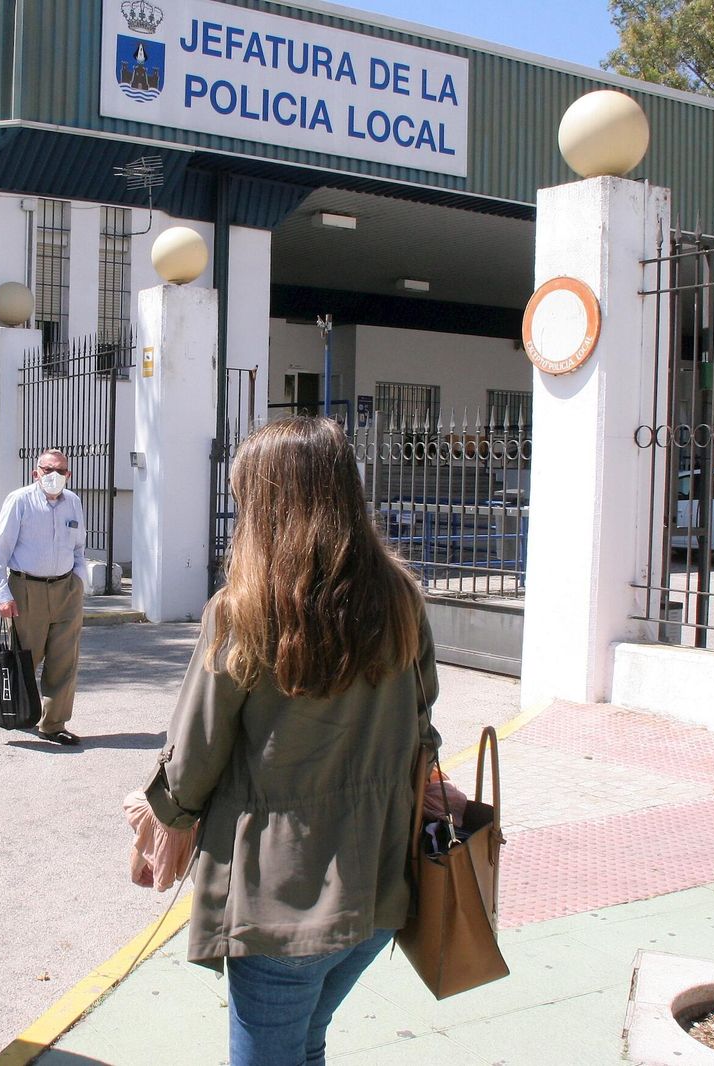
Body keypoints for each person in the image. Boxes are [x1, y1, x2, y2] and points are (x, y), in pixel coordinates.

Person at [142, 416, 441, 1066]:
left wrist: (162, 815)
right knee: (307, 1044)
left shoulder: (242, 610)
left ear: (267, 505)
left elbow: (193, 756)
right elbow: (423, 725)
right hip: (381, 883)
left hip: (280, 895)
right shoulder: (401, 598)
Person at [0, 449, 89, 745]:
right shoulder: (20, 501)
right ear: (36, 473)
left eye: (61, 471)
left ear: (69, 475)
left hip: (66, 590)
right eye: (48, 470)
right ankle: (20, 712)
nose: (54, 475)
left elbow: (78, 548)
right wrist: (2, 594)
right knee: (26, 658)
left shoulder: (73, 502)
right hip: (27, 589)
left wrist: (79, 582)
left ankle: (53, 724)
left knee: (64, 660)